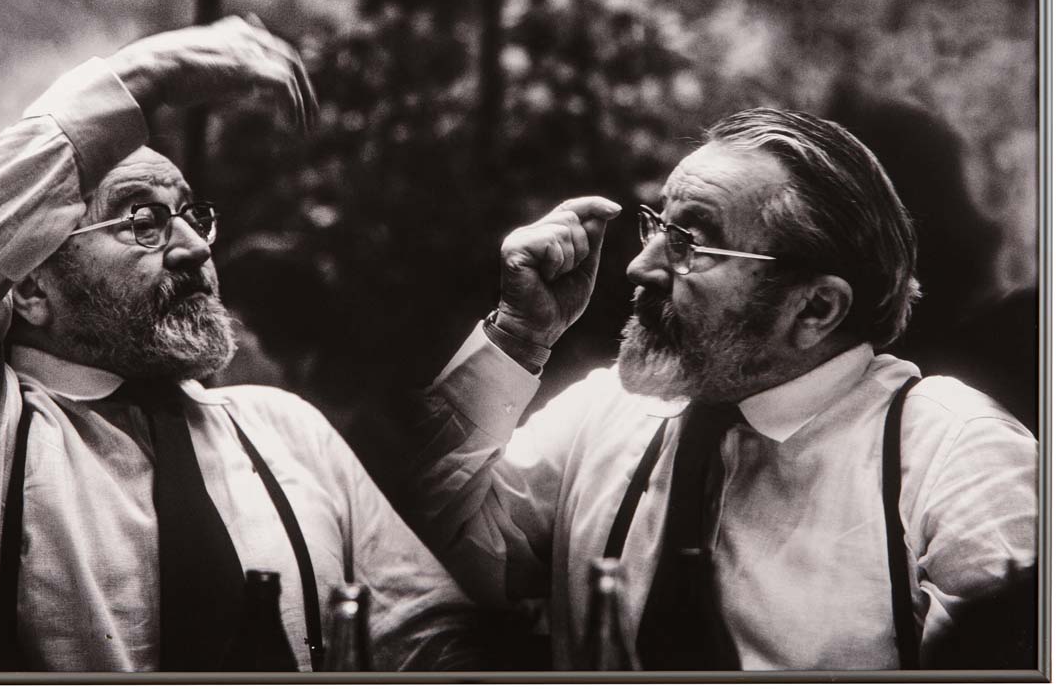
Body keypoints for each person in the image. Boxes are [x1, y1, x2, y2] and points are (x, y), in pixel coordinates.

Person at [0, 17, 480, 672]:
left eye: (192, 215)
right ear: (28, 287)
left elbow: (429, 638)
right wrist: (139, 79)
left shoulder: (286, 429)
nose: (193, 247)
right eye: (143, 219)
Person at [403, 108, 1038, 671]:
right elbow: (425, 561)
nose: (640, 266)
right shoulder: (609, 410)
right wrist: (518, 335)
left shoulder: (955, 456)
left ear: (815, 308)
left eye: (690, 241)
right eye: (657, 226)